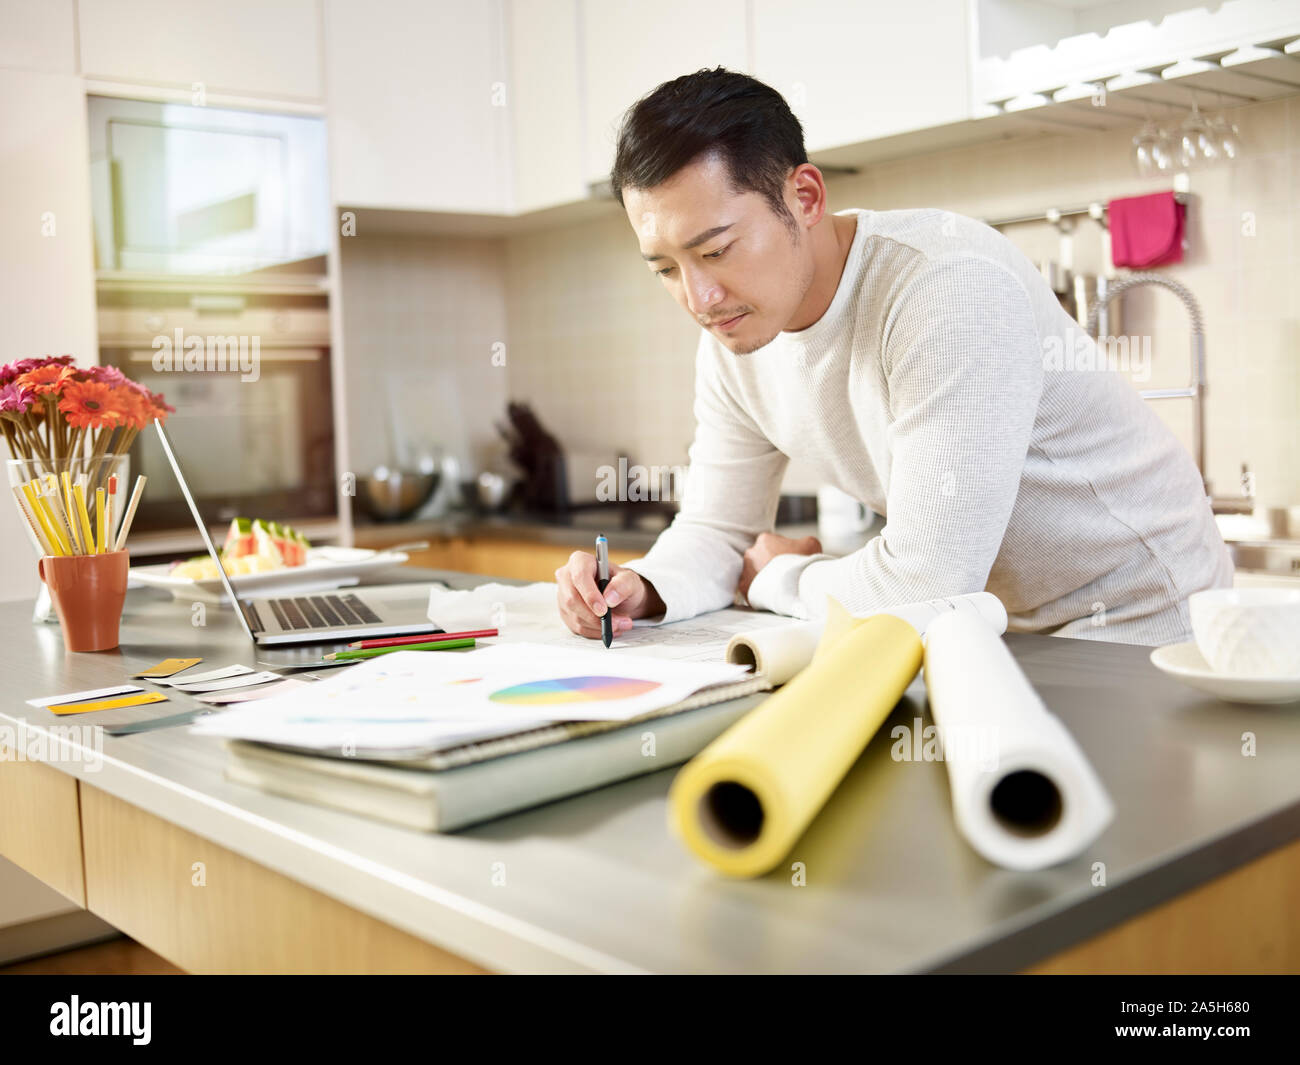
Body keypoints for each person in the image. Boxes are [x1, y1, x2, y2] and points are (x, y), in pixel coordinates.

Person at [556, 67, 1232, 646]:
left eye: (714, 250)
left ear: (806, 197)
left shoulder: (945, 287)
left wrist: (777, 578)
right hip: (992, 628)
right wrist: (638, 588)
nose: (698, 296)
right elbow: (716, 527)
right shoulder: (736, 331)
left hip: (1145, 619)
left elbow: (925, 581)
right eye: (665, 269)